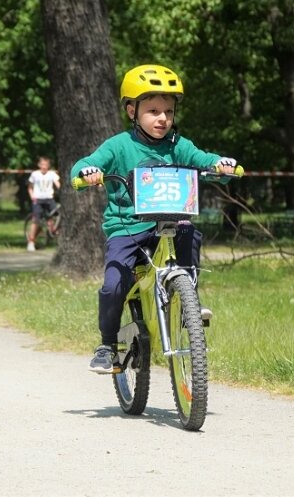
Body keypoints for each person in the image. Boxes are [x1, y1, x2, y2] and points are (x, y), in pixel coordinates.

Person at [70, 64, 238, 373]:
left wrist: (221, 165)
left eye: (168, 111)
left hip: (171, 222)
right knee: (113, 285)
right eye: (153, 110)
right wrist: (87, 172)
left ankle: (188, 301)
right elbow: (85, 164)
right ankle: (107, 345)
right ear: (132, 110)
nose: (162, 118)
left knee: (190, 233)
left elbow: (204, 161)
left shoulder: (179, 146)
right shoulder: (118, 145)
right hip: (128, 228)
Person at [26, 156, 61, 251]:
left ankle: (52, 231)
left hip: (49, 199)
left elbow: (57, 184)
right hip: (38, 199)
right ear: (39, 165)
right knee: (36, 220)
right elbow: (30, 187)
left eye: (46, 165)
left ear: (48, 166)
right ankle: (31, 241)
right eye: (42, 165)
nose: (44, 167)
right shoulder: (35, 174)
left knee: (55, 215)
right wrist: (32, 196)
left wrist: (61, 189)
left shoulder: (52, 174)